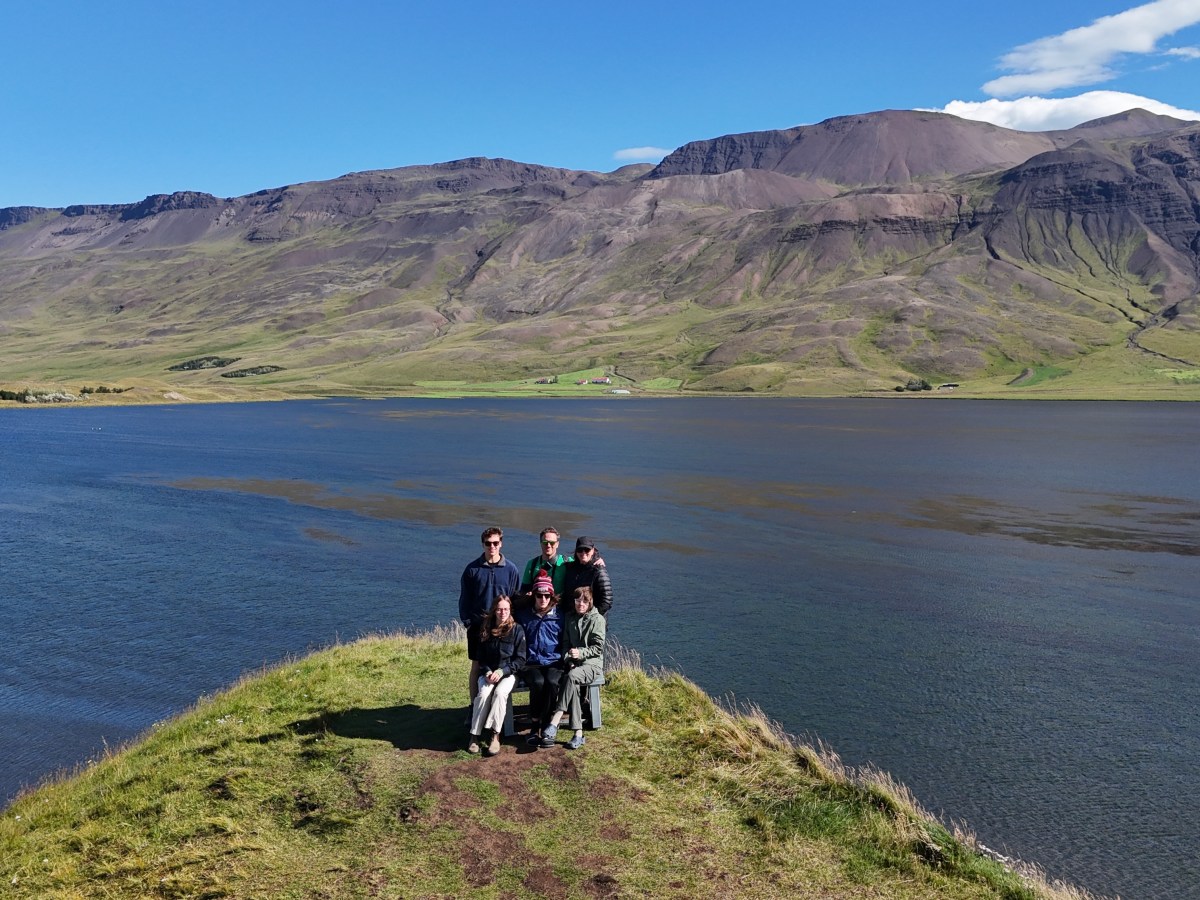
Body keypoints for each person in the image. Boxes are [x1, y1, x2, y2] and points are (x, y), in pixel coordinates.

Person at [459, 527, 521, 703]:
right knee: (477, 665)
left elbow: (514, 599)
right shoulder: (472, 570)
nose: (492, 547)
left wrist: (511, 624)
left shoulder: (511, 569)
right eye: (488, 543)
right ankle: (474, 706)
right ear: (483, 544)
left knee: (501, 666)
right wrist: (469, 623)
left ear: (501, 543)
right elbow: (465, 598)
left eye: (495, 543)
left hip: (503, 627)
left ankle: (496, 708)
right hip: (478, 626)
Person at [541, 586, 605, 750]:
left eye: (584, 601)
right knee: (574, 685)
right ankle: (578, 734)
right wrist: (568, 659)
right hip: (574, 665)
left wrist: (580, 653)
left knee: (571, 677)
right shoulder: (569, 618)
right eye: (577, 600)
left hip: (592, 664)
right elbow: (565, 645)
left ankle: (556, 719)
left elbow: (598, 648)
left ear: (590, 602)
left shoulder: (597, 620)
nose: (580, 604)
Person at [467, 595, 527, 756]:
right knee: (484, 694)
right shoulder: (485, 629)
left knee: (500, 693)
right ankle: (474, 735)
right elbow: (481, 657)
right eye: (499, 609)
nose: (502, 612)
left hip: (508, 674)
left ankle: (495, 735)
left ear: (510, 610)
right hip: (487, 673)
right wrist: (487, 671)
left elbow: (521, 659)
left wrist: (503, 671)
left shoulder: (517, 629)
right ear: (494, 610)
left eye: (506, 609)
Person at [515, 573, 563, 747]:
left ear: (551, 596)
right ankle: (535, 725)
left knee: (551, 682)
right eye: (539, 595)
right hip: (530, 662)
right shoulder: (523, 615)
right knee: (537, 682)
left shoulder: (561, 616)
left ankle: (546, 725)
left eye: (547, 595)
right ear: (533, 595)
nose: (543, 599)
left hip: (554, 661)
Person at [562, 536, 613, 617]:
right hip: (572, 620)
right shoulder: (570, 569)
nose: (583, 553)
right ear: (576, 552)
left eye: (587, 549)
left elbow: (607, 600)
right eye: (580, 550)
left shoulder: (599, 571)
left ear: (593, 551)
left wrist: (592, 618)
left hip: (592, 623)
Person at [519, 526, 569, 598]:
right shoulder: (532, 564)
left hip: (559, 606)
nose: (548, 545)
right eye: (545, 542)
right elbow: (524, 590)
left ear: (557, 544)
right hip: (539, 604)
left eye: (552, 543)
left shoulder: (567, 562)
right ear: (540, 543)